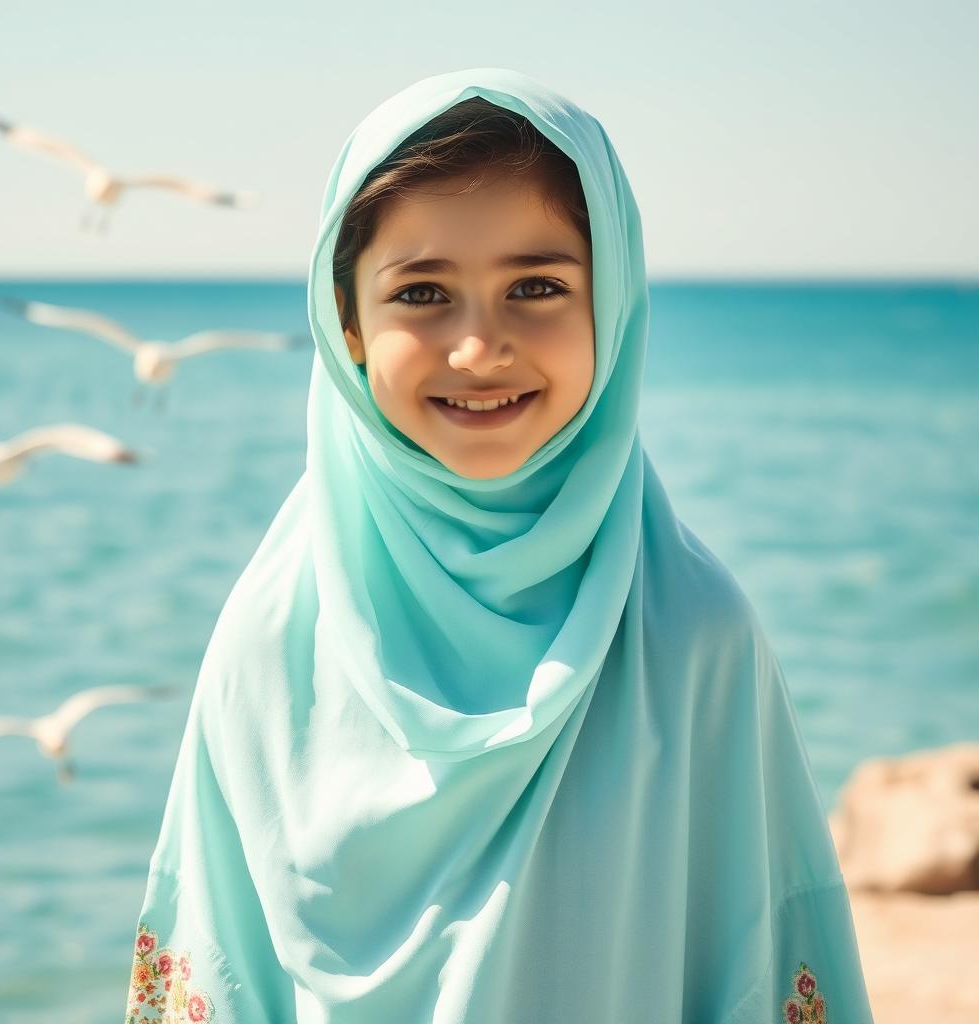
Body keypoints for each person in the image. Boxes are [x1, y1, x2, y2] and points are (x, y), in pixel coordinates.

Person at [122, 68, 874, 1024]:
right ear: (346, 323)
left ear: (617, 306)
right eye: (424, 292)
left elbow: (756, 951)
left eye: (537, 286)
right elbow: (219, 963)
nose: (479, 348)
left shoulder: (691, 636)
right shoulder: (274, 640)